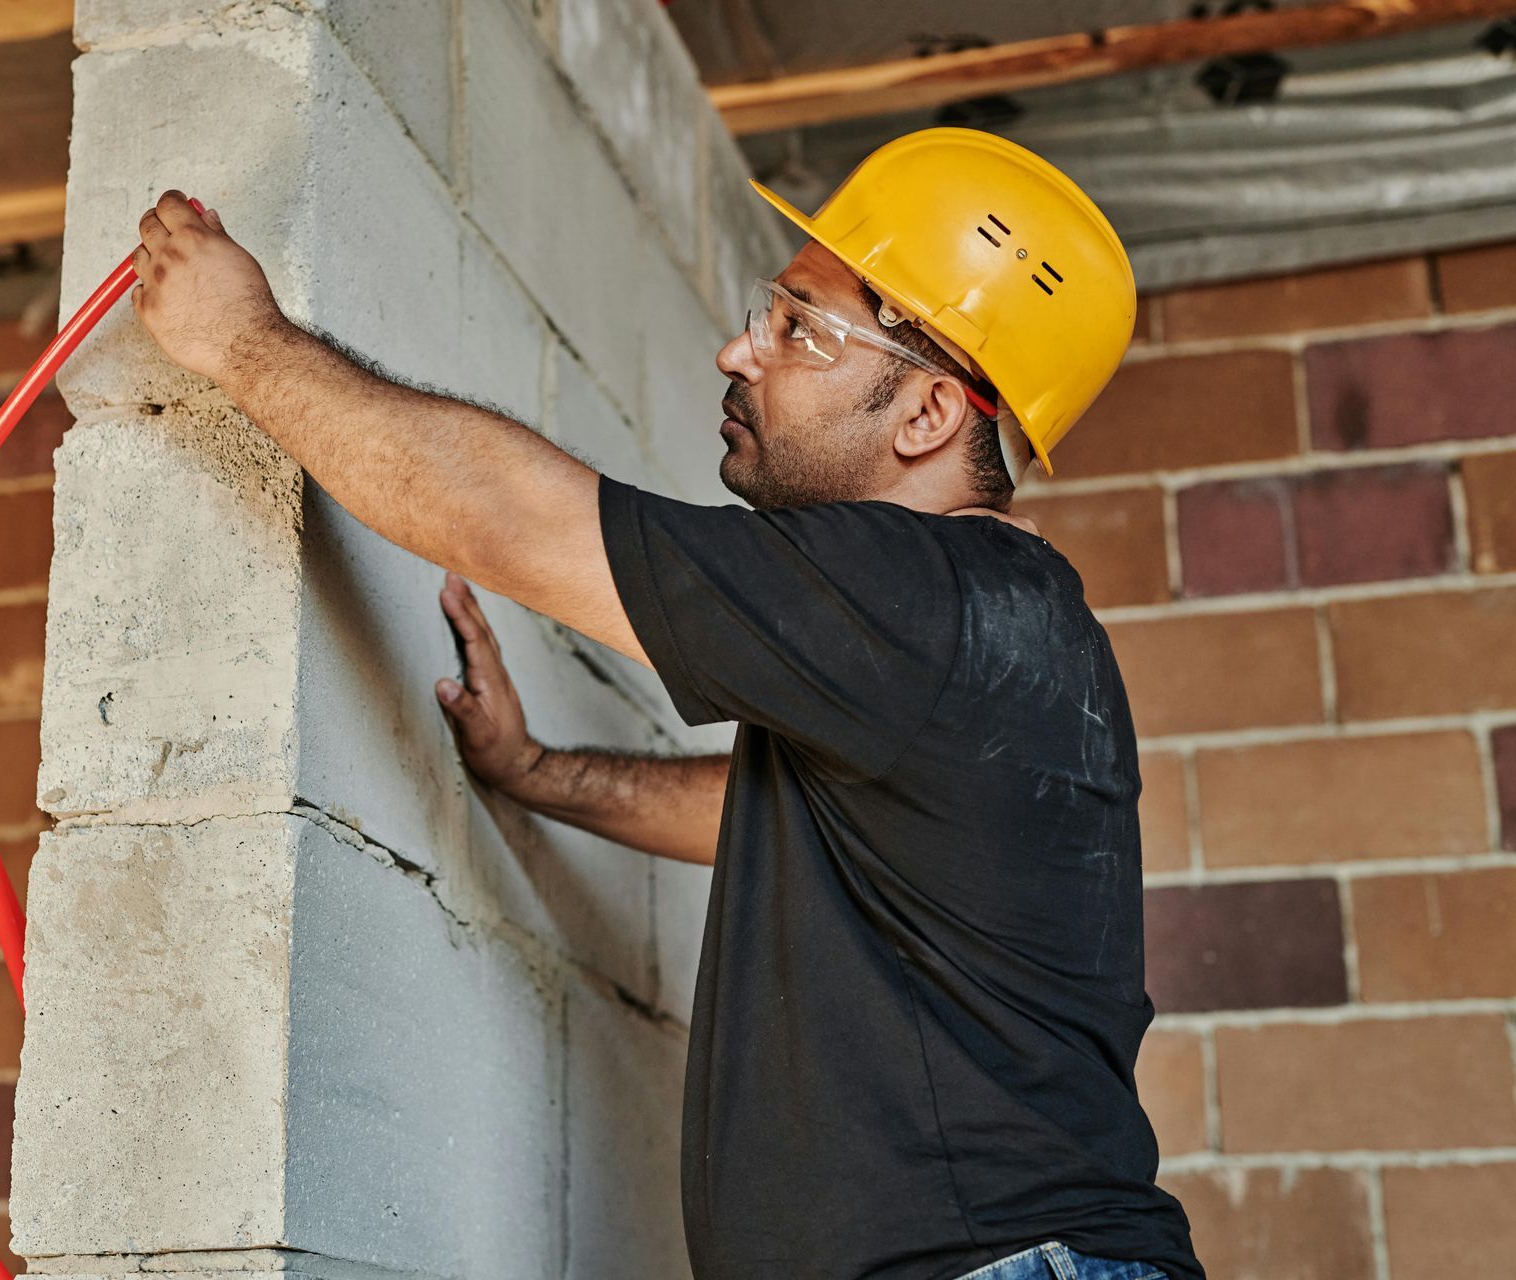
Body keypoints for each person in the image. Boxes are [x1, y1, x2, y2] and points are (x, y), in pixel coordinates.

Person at [128, 125, 1205, 1280]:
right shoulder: (994, 630)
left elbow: (517, 520)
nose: (741, 349)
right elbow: (771, 810)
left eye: (800, 326)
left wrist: (240, 342)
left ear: (929, 416)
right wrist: (539, 770)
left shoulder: (921, 593)